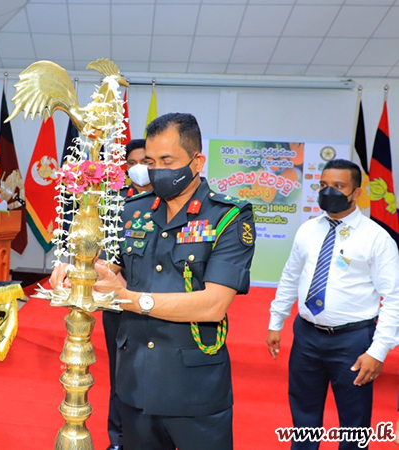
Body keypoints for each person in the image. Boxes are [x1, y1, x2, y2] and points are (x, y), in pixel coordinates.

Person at [52, 113, 255, 450]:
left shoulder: (228, 216)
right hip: (135, 384)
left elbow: (213, 305)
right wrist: (75, 271)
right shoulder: (133, 210)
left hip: (194, 389)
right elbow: (106, 268)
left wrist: (132, 299)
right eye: (150, 161)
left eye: (167, 161)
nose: (157, 170)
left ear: (197, 161)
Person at [267, 158, 399, 449]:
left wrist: (377, 351)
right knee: (303, 418)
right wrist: (276, 321)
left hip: (353, 341)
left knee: (354, 423)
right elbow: (290, 276)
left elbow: (394, 299)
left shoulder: (377, 238)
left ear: (356, 193)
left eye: (339, 186)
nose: (329, 192)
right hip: (306, 336)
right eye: (324, 185)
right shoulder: (307, 230)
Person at [104, 138, 154, 450]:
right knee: (119, 374)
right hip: (118, 304)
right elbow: (105, 253)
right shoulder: (114, 205)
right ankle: (118, 438)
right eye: (132, 163)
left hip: (160, 305)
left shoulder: (170, 203)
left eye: (145, 162)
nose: (139, 169)